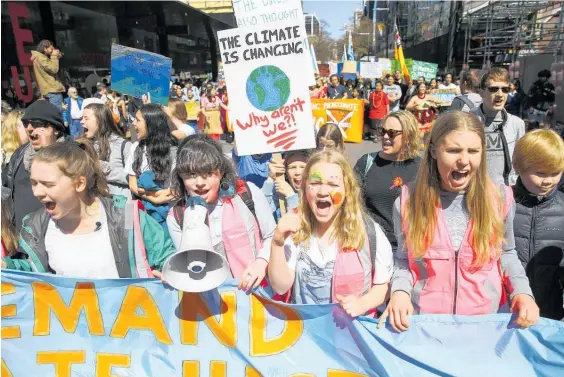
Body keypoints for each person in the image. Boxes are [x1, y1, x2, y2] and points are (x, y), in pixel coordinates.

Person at [380, 111, 538, 332]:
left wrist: (522, 291)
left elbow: (507, 253)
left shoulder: (499, 197)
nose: (464, 160)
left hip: (485, 324)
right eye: (453, 150)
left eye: (473, 151)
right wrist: (399, 292)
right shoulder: (409, 200)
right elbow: (404, 260)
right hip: (425, 324)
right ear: (434, 151)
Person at [1, 139, 176, 277]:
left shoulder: (126, 216)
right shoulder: (36, 225)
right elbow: (34, 270)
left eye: (48, 184)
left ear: (79, 184)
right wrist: (7, 267)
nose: (37, 192)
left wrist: (171, 274)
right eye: (34, 183)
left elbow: (167, 258)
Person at [267, 150, 393, 313]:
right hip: (306, 331)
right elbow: (280, 287)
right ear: (305, 187)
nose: (322, 192)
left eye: (333, 185)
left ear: (347, 189)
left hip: (349, 332)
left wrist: (363, 304)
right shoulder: (295, 227)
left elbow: (384, 285)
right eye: (315, 183)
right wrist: (277, 243)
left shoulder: (368, 231)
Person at [166, 134, 277, 290]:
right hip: (213, 302)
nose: (199, 183)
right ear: (180, 177)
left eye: (208, 174)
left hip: (258, 293)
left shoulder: (247, 193)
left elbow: (272, 235)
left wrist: (262, 261)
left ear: (222, 172)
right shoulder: (177, 216)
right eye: (191, 175)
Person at [512, 129, 564, 320]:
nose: (548, 180)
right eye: (540, 173)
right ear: (519, 167)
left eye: (556, 173)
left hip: (549, 312)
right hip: (506, 308)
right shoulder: (502, 203)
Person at [354, 111, 421, 252]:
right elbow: (351, 205)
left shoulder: (422, 167)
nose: (385, 137)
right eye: (382, 131)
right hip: (371, 247)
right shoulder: (366, 162)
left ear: (408, 135)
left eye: (392, 133)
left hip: (409, 250)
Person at [1, 101, 69, 232]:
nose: (30, 128)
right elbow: (6, 188)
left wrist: (48, 150)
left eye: (37, 124)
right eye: (26, 123)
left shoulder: (72, 154)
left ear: (55, 129)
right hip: (21, 239)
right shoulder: (20, 154)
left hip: (57, 236)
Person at [126, 104, 178, 229]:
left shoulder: (173, 151)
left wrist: (147, 192)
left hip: (169, 215)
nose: (133, 123)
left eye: (138, 120)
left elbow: (175, 191)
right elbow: (132, 185)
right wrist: (154, 199)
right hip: (141, 213)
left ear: (151, 123)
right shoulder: (135, 148)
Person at [471, 67, 525, 186]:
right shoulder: (467, 120)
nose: (500, 95)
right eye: (493, 89)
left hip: (507, 192)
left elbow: (521, 159)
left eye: (505, 89)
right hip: (475, 190)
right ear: (481, 92)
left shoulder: (517, 124)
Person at [81, 103, 132, 198]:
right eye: (82, 118)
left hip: (120, 205)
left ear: (100, 120)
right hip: (96, 204)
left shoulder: (123, 145)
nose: (81, 122)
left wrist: (102, 167)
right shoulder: (85, 145)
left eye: (86, 118)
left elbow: (134, 179)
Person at [263, 149, 312, 221]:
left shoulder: (316, 191)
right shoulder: (282, 189)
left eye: (303, 167)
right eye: (292, 167)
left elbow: (301, 223)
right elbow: (264, 212)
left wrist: (290, 196)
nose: (298, 172)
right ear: (285, 171)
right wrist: (270, 178)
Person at [30, 40, 65, 109]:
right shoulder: (41, 58)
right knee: (57, 112)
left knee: (52, 113)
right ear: (45, 49)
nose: (53, 51)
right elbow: (54, 69)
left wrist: (57, 55)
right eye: (51, 49)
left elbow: (56, 59)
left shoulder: (41, 57)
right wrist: (54, 56)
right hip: (52, 90)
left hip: (49, 89)